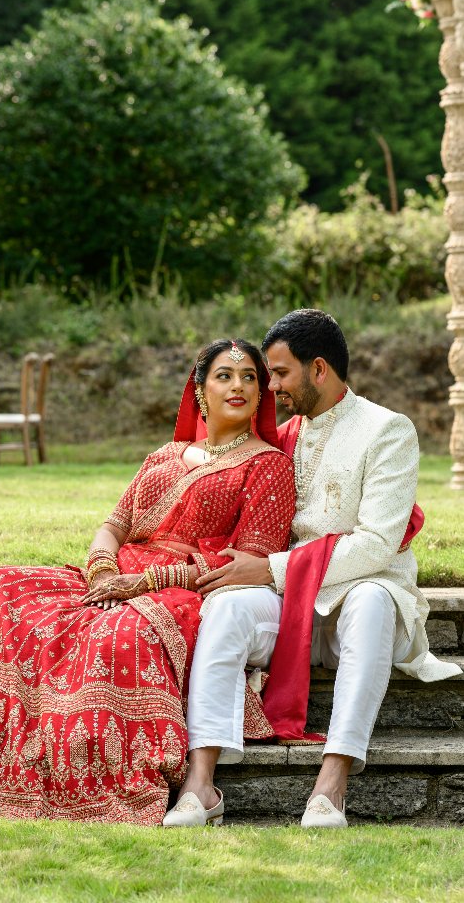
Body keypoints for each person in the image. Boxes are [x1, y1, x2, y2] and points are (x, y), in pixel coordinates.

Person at [0, 338, 294, 824]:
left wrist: (145, 582)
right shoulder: (165, 455)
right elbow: (114, 525)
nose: (238, 386)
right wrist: (103, 566)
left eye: (249, 376)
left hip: (187, 592)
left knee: (116, 636)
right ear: (200, 390)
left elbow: (246, 563)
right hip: (110, 576)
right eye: (224, 375)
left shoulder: (268, 465)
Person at [163, 309, 461, 829]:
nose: (269, 386)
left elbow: (376, 543)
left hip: (363, 598)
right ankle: (201, 782)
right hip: (292, 610)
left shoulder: (388, 430)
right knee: (229, 606)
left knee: (369, 600)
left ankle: (332, 783)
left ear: (318, 369)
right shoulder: (283, 437)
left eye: (279, 374)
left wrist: (273, 569)